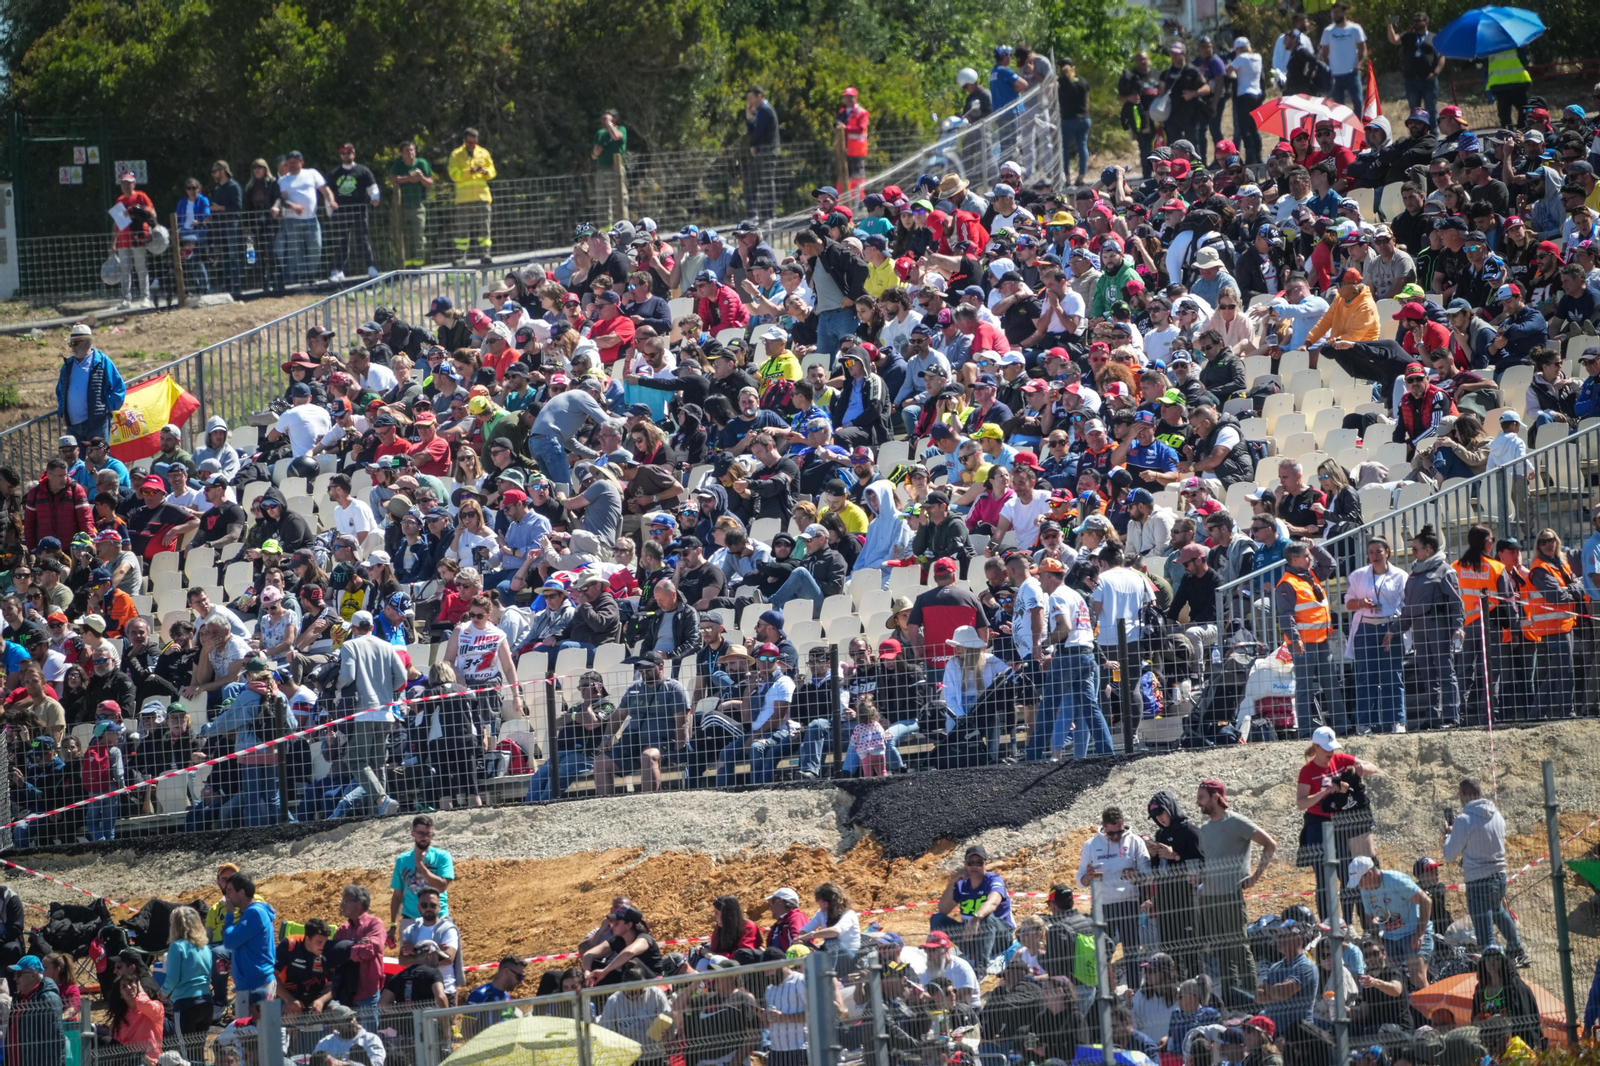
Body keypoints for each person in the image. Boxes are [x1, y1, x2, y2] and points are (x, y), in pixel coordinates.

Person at [1297, 726, 1378, 924]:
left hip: (1342, 823)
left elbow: (1372, 767)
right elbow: (1301, 803)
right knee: (1324, 878)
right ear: (1315, 747)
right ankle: (1329, 924)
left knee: (1349, 873)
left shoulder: (1340, 759)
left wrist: (1359, 770)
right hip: (1318, 825)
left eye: (1332, 748)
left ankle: (1354, 923)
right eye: (1326, 749)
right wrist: (1324, 792)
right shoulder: (1307, 772)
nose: (1330, 752)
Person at [1444, 776, 1528, 964]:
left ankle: (1493, 965)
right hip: (1499, 877)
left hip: (1478, 882)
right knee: (1498, 911)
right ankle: (1517, 950)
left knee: (1484, 932)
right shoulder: (1497, 815)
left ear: (1463, 794)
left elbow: (1449, 855)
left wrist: (1449, 835)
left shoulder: (1464, 820)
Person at [1275, 541, 1343, 735]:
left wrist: (1315, 547)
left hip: (1321, 640)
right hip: (1303, 644)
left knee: (1331, 683)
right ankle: (1305, 730)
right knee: (1304, 687)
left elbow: (1330, 564)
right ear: (1294, 559)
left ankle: (1342, 726)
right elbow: (1286, 615)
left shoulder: (1311, 575)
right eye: (1306, 556)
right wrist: (1295, 640)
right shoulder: (1287, 583)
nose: (1310, 558)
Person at [1077, 806, 1151, 984]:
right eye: (1111, 833)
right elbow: (1080, 881)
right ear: (1103, 826)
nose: (1116, 837)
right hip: (1102, 906)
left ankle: (1134, 989)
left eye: (1119, 831)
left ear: (1123, 823)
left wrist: (1136, 876)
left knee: (1132, 951)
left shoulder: (1135, 842)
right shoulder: (1091, 845)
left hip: (1128, 902)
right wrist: (1088, 877)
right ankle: (1103, 991)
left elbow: (1148, 875)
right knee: (1102, 952)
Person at [1347, 856, 1433, 991]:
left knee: (1417, 975)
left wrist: (1420, 933)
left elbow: (1426, 901)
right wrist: (1376, 939)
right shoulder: (1365, 890)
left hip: (1413, 933)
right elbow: (1370, 917)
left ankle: (1432, 1004)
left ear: (1370, 874)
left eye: (1360, 882)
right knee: (1390, 978)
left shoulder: (1396, 881)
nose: (1360, 886)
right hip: (1389, 938)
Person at [931, 845, 1013, 968]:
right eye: (970, 863)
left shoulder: (994, 880)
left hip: (1000, 937)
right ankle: (936, 961)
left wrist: (976, 918)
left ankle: (980, 968)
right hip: (971, 936)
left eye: (979, 863)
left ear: (985, 864)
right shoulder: (961, 884)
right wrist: (952, 882)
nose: (974, 866)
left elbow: (992, 903)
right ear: (965, 864)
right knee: (937, 919)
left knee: (986, 917)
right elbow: (943, 909)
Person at [390, 814, 456, 945]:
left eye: (428, 834)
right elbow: (397, 895)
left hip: (438, 919)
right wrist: (393, 924)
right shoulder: (402, 860)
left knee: (443, 956)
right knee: (409, 957)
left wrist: (420, 865)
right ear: (413, 833)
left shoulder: (442, 856)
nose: (425, 837)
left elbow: (442, 886)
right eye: (420, 833)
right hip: (410, 920)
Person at [57, 324, 127, 444]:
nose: (72, 348)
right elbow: (59, 391)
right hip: (73, 427)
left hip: (97, 425)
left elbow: (118, 388)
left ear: (87, 342)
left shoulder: (102, 362)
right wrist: (62, 411)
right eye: (70, 344)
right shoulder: (68, 365)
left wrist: (107, 408)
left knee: (99, 455)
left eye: (75, 343)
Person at [161, 907, 212, 1064]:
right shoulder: (205, 947)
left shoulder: (177, 946)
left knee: (187, 1054)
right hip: (206, 1001)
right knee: (199, 1050)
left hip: (186, 1004)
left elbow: (173, 978)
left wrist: (164, 992)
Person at [448, 128, 496, 265]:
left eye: (474, 142)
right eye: (469, 143)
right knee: (462, 230)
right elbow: (453, 174)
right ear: (464, 141)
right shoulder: (456, 155)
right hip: (463, 198)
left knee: (484, 228)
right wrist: (469, 172)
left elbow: (492, 170)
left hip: (482, 196)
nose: (472, 145)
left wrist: (486, 172)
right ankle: (461, 257)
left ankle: (485, 254)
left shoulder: (483, 152)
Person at [7, 954, 65, 1066]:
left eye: (19, 974)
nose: (15, 979)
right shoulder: (20, 998)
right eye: (15, 974)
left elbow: (54, 1042)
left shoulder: (48, 999)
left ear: (33, 975)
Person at [313, 1004, 387, 1066]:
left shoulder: (371, 1039)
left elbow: (377, 1064)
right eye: (346, 1021)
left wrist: (344, 1064)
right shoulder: (326, 1043)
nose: (351, 1022)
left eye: (352, 1017)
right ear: (336, 1026)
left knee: (357, 1050)